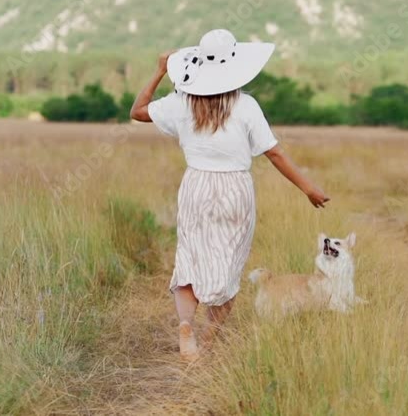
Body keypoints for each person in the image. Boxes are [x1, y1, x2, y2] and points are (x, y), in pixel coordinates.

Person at [129, 29, 330, 362]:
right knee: (229, 266)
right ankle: (209, 340)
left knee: (190, 260)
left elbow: (138, 111)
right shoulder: (246, 105)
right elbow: (274, 153)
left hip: (195, 186)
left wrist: (161, 70)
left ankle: (185, 326)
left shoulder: (181, 102)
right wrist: (308, 188)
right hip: (235, 189)